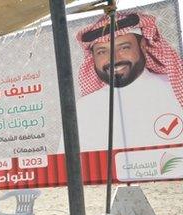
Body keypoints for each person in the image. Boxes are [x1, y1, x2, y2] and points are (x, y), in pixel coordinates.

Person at [75, 12, 183, 151]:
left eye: (124, 47)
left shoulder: (174, 89)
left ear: (143, 47)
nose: (114, 58)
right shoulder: (85, 108)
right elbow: (67, 167)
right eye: (102, 52)